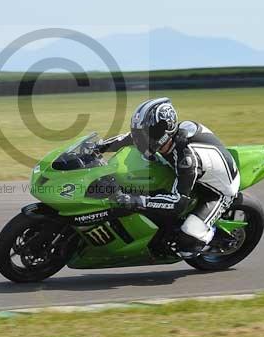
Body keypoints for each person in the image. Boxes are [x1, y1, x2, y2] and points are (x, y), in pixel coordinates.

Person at [96, 97, 240, 257]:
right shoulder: (165, 138)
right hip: (198, 172)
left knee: (186, 243)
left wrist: (136, 201)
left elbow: (177, 203)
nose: (140, 138)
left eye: (147, 134)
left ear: (164, 132)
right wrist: (100, 146)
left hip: (218, 191)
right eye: (141, 132)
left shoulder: (186, 160)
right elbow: (131, 137)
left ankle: (209, 237)